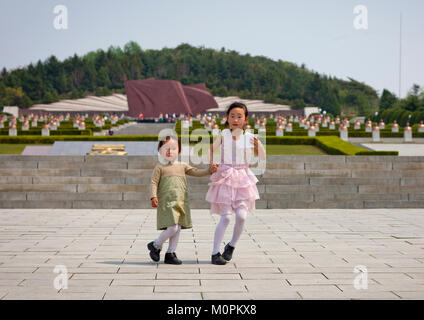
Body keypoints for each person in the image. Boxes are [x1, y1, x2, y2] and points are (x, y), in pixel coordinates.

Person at [206, 102, 266, 265]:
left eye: (239, 116)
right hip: (226, 175)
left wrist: (259, 144)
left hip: (243, 177)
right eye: (232, 116)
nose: (235, 119)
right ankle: (215, 253)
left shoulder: (249, 137)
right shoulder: (223, 134)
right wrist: (212, 164)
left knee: (241, 216)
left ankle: (231, 246)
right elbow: (211, 149)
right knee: (225, 218)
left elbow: (261, 156)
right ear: (227, 118)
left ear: (246, 119)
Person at [148, 136, 218, 264]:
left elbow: (196, 172)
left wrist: (209, 170)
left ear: (179, 151)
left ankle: (170, 253)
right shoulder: (160, 167)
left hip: (181, 201)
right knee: (173, 227)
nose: (170, 151)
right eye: (166, 148)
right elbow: (153, 182)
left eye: (173, 148)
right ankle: (156, 244)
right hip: (167, 202)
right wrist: (153, 196)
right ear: (160, 151)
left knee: (178, 227)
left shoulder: (182, 165)